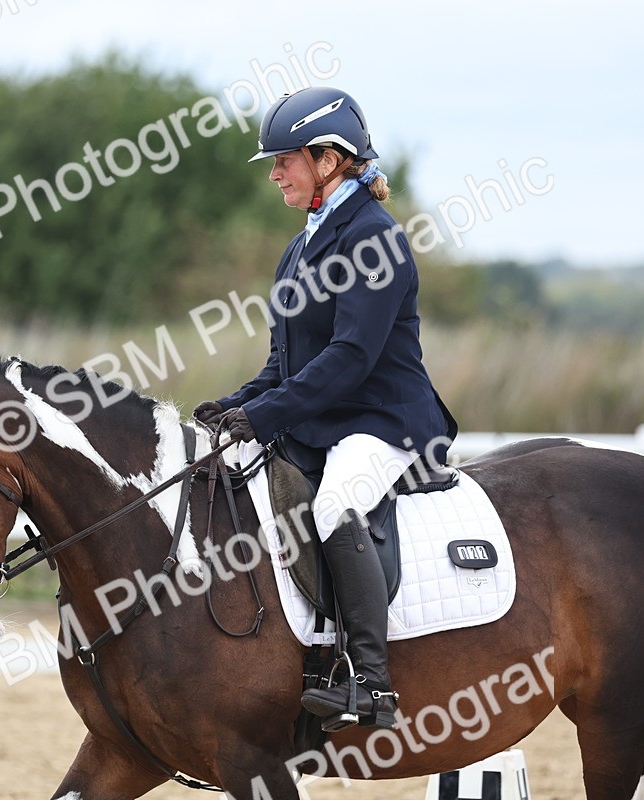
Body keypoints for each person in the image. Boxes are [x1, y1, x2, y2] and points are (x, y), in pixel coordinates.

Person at [193, 87, 458, 732]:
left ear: (329, 160)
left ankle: (371, 684)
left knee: (336, 504)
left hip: (383, 419)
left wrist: (268, 415)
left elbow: (350, 359)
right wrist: (236, 406)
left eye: (284, 160)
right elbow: (285, 363)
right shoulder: (302, 245)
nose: (275, 173)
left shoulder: (375, 238)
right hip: (328, 418)